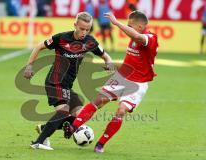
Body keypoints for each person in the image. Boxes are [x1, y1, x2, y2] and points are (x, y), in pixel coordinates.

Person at [63, 11, 159, 153]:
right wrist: (109, 66)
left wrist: (116, 23)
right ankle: (73, 127)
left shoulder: (150, 38)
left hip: (138, 83)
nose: (128, 28)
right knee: (99, 100)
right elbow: (129, 64)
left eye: (130, 25)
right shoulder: (132, 41)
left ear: (140, 26)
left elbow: (137, 36)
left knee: (121, 110)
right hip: (122, 77)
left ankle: (101, 144)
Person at [23, 12, 114, 150]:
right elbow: (38, 47)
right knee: (63, 111)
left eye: (87, 29)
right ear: (75, 25)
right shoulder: (61, 38)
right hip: (55, 81)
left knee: (80, 115)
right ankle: (38, 142)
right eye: (81, 28)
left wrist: (109, 63)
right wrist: (29, 66)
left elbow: (106, 56)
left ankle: (45, 128)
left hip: (67, 85)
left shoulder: (90, 42)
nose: (84, 32)